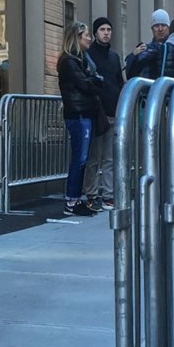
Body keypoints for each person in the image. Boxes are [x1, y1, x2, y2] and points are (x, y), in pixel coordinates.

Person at [57, 21, 103, 217]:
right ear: (76, 37)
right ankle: (72, 201)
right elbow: (85, 85)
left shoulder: (80, 60)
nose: (89, 38)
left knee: (82, 159)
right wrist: (95, 80)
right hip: (78, 115)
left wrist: (93, 81)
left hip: (83, 114)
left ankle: (75, 199)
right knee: (79, 159)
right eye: (86, 35)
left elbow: (89, 82)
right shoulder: (69, 61)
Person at [83, 16, 124, 212]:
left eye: (109, 29)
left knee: (109, 157)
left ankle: (108, 195)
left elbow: (119, 82)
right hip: (96, 113)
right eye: (102, 30)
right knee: (93, 157)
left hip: (112, 111)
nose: (106, 33)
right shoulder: (88, 55)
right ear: (95, 33)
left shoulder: (114, 57)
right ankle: (91, 194)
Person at [125, 9, 172, 78]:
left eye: (163, 25)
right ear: (152, 29)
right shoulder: (144, 50)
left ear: (168, 28)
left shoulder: (173, 50)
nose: (160, 29)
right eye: (156, 26)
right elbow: (130, 74)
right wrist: (133, 56)